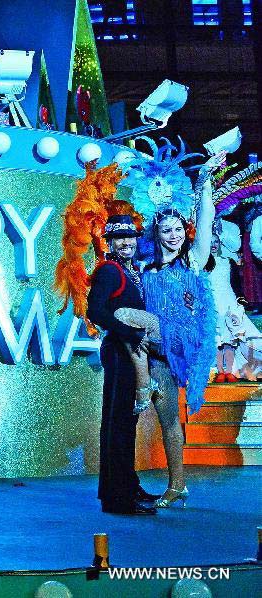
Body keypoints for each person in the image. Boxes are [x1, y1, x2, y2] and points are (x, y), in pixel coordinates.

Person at [127, 144, 221, 509]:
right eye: (166, 230)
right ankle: (174, 484)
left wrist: (206, 179)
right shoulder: (146, 269)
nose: (174, 235)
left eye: (179, 228)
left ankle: (175, 482)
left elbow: (207, 219)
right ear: (157, 232)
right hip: (153, 354)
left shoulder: (193, 262)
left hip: (183, 349)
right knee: (164, 415)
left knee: (171, 413)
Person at [85, 215, 159, 515]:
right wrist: (129, 333)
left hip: (131, 352)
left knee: (128, 423)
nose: (127, 242)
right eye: (120, 238)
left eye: (131, 236)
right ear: (110, 242)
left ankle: (127, 484)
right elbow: (95, 311)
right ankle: (117, 498)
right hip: (118, 351)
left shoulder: (132, 271)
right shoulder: (109, 271)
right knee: (118, 424)